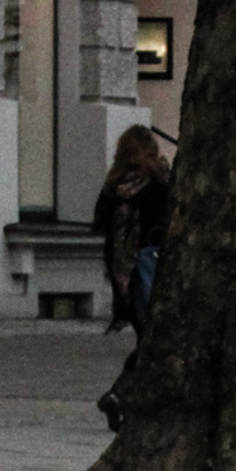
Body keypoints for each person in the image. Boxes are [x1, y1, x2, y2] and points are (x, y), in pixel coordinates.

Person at [91, 125, 172, 430]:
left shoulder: (113, 186)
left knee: (146, 336)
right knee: (156, 341)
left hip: (123, 274)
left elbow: (99, 225)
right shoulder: (158, 184)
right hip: (152, 268)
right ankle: (120, 393)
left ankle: (130, 400)